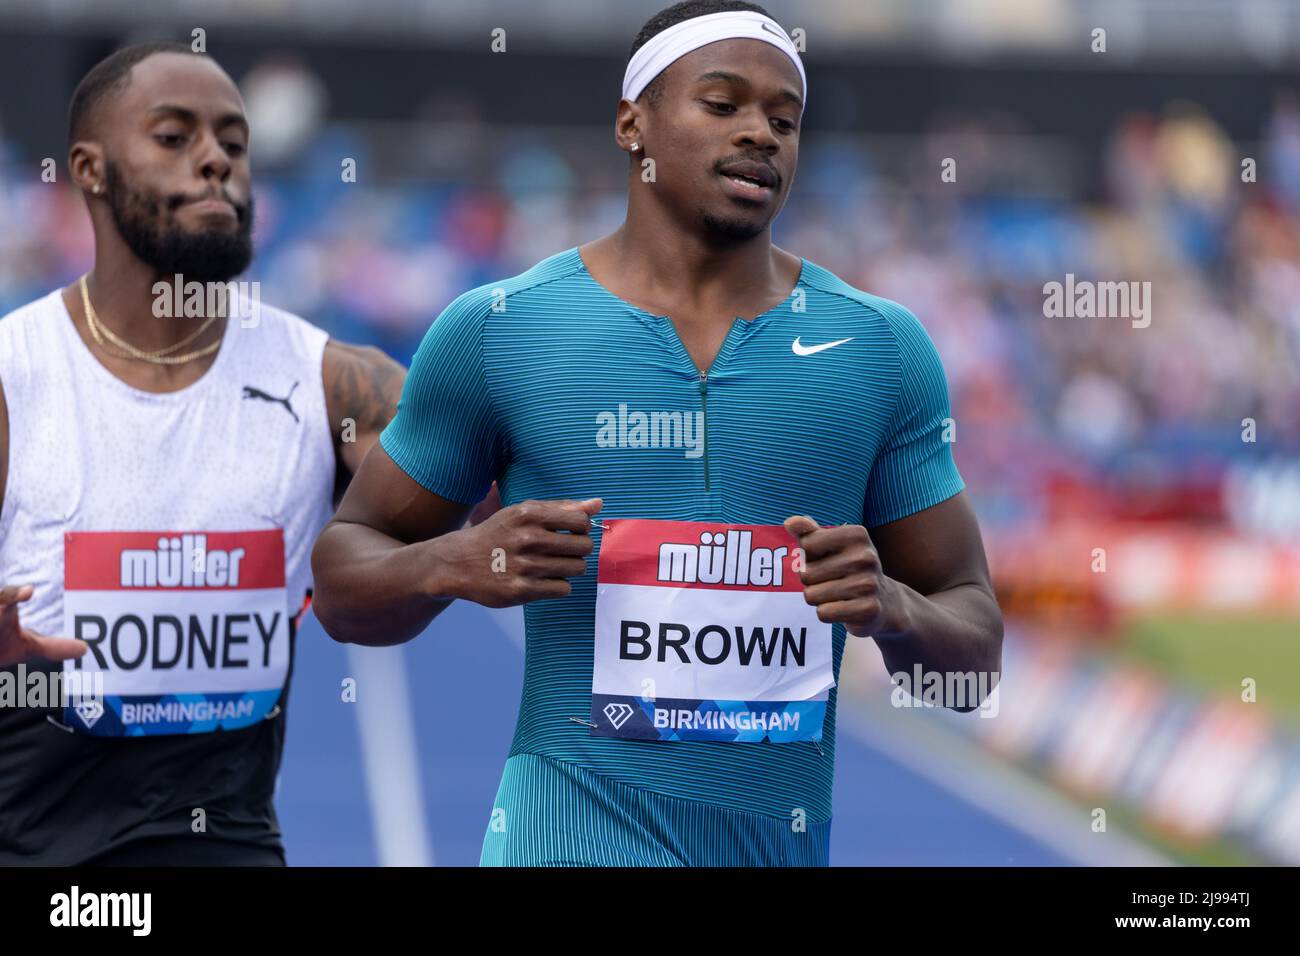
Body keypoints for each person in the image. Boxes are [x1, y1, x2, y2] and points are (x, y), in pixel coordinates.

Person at [311, 0, 1003, 866]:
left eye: (784, 119)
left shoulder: (879, 349)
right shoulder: (501, 330)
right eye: (723, 103)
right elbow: (341, 582)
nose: (760, 133)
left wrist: (892, 608)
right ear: (631, 123)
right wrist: (453, 561)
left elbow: (973, 666)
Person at [0, 42, 407, 865]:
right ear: (90, 169)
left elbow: (504, 489)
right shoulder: (15, 379)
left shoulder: (332, 384)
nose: (216, 159)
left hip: (223, 846)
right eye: (174, 136)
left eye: (234, 141)